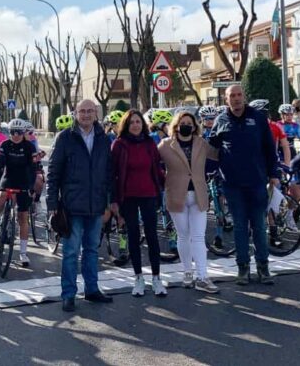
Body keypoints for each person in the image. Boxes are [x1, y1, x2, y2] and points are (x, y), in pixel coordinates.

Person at [47, 99, 115, 312]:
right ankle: (68, 294)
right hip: (72, 206)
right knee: (70, 252)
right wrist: (52, 202)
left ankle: (92, 290)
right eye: (82, 111)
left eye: (90, 111)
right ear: (75, 114)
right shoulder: (65, 138)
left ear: (96, 113)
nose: (86, 115)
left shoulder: (104, 139)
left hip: (96, 205)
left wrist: (108, 204)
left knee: (92, 250)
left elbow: (108, 174)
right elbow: (53, 172)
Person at [208, 85, 277, 286]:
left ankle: (263, 268)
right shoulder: (221, 120)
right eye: (232, 96)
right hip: (232, 184)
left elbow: (269, 149)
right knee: (239, 227)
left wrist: (274, 174)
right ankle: (243, 269)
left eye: (239, 95)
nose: (236, 99)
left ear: (244, 97)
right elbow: (212, 150)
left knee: (259, 226)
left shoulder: (258, 118)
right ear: (226, 99)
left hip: (257, 182)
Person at [158, 111, 219, 294]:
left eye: (189, 123)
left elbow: (217, 155)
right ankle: (187, 272)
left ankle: (202, 276)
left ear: (194, 126)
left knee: (199, 237)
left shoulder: (201, 143)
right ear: (176, 125)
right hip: (177, 195)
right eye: (183, 122)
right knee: (183, 235)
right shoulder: (165, 145)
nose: (186, 125)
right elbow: (153, 163)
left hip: (198, 194)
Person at [112, 110, 167, 297]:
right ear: (126, 125)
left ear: (143, 124)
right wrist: (113, 201)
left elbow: (157, 168)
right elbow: (112, 175)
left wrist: (167, 184)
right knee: (133, 236)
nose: (135, 125)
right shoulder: (119, 145)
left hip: (149, 194)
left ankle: (157, 278)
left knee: (152, 236)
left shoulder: (150, 143)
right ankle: (138, 278)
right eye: (132, 122)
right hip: (128, 197)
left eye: (138, 121)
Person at [0, 118, 38, 267]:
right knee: (2, 195)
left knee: (23, 218)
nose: (15, 135)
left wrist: (31, 187)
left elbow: (33, 169)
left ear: (23, 133)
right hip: (8, 178)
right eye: (12, 132)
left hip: (24, 180)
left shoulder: (30, 147)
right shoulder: (4, 145)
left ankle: (23, 253)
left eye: (18, 132)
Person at [249, 100, 291, 164]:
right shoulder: (249, 126)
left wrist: (287, 165)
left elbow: (285, 146)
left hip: (271, 163)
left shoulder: (276, 126)